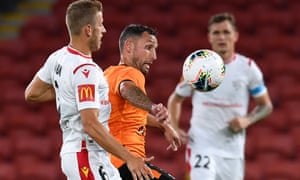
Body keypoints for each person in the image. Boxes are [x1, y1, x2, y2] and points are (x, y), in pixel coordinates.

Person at [24, 1, 154, 180]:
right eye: (100, 24)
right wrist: (130, 159)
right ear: (88, 30)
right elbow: (91, 125)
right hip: (86, 154)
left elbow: (32, 93)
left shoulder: (58, 57)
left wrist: (70, 91)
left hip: (82, 152)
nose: (104, 30)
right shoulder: (87, 71)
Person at [167, 12, 273, 180]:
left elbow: (266, 105)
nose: (221, 37)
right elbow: (176, 98)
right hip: (201, 144)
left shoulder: (248, 68)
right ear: (209, 37)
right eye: (216, 33)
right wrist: (173, 125)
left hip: (233, 151)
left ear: (235, 36)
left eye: (226, 32)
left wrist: (248, 120)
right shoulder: (198, 66)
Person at [104, 24, 181, 180]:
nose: (154, 56)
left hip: (111, 166)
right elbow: (127, 89)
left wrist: (163, 125)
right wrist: (153, 107)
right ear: (129, 47)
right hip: (126, 164)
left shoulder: (107, 74)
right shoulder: (130, 72)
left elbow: (131, 115)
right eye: (148, 47)